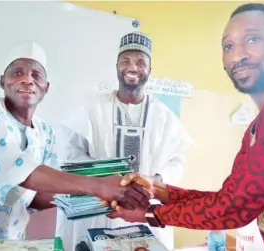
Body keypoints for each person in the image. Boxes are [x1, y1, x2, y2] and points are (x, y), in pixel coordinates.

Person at [107, 3, 264, 251]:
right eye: (228, 46)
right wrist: (158, 190)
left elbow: (233, 208)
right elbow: (227, 199)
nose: (238, 55)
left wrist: (151, 214)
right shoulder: (256, 128)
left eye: (252, 39)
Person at [0, 41, 151, 251]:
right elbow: (20, 171)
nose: (27, 79)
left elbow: (38, 196)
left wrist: (101, 200)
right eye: (17, 73)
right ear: (2, 81)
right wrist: (100, 185)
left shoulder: (45, 133)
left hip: (8, 243)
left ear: (46, 88)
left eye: (36, 75)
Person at [56, 31, 192, 250]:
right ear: (117, 66)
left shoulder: (164, 116)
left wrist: (155, 179)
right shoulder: (92, 108)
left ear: (149, 70)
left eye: (141, 62)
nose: (133, 68)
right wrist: (106, 178)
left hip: (144, 210)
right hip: (98, 208)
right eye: (125, 61)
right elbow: (71, 152)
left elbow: (177, 160)